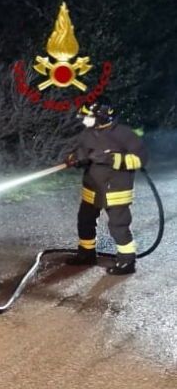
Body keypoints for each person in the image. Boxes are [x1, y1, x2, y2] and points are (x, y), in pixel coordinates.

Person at [64, 99, 145, 275]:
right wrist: (75, 158)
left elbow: (139, 160)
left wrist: (113, 159)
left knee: (118, 226)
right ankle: (86, 254)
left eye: (89, 117)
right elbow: (81, 152)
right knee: (85, 221)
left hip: (115, 190)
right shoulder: (88, 134)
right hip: (92, 189)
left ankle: (127, 261)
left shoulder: (125, 135)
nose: (85, 120)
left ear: (101, 116)